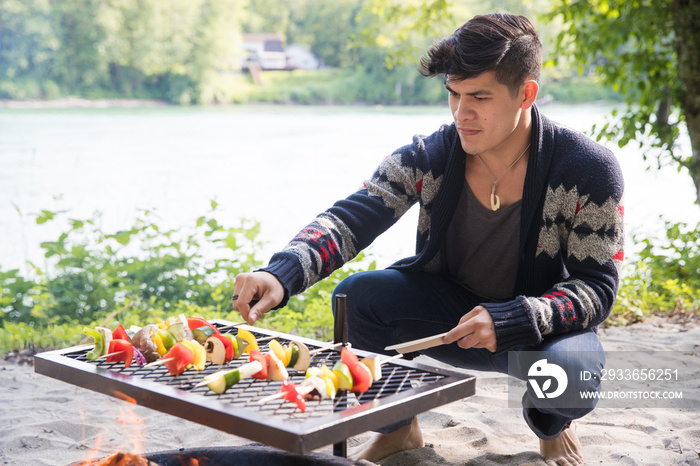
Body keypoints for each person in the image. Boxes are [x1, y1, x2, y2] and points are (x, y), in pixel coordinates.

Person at [232, 12, 624, 466]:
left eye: (479, 96)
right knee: (359, 297)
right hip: (448, 318)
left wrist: (514, 318)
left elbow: (596, 286)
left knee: (573, 380)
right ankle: (398, 430)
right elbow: (350, 219)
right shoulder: (430, 154)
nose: (462, 113)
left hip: (532, 331)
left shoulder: (587, 168)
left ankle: (551, 424)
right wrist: (279, 274)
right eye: (453, 95)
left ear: (526, 93)